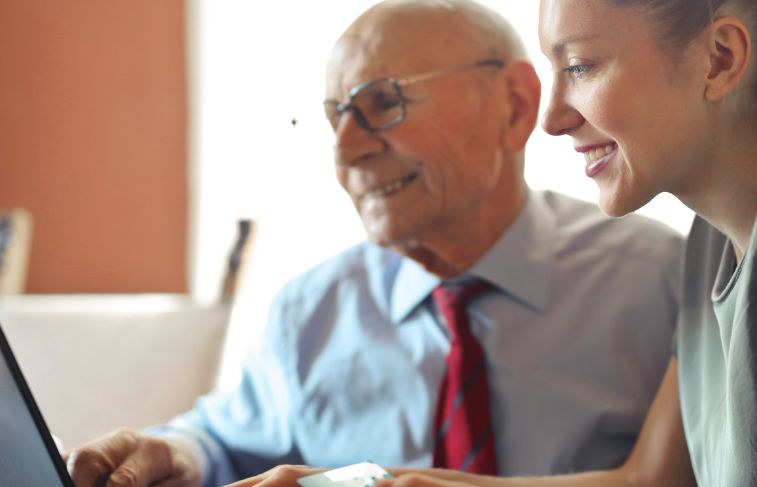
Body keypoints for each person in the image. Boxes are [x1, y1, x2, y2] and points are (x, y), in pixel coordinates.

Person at [230, 0, 757, 485]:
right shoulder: (714, 245)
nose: (551, 119)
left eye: (580, 67)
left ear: (720, 59)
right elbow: (647, 482)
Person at [63, 1, 687, 486]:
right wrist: (174, 454)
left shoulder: (663, 281)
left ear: (515, 106)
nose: (345, 151)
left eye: (382, 103)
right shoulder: (311, 311)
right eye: (336, 116)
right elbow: (223, 441)